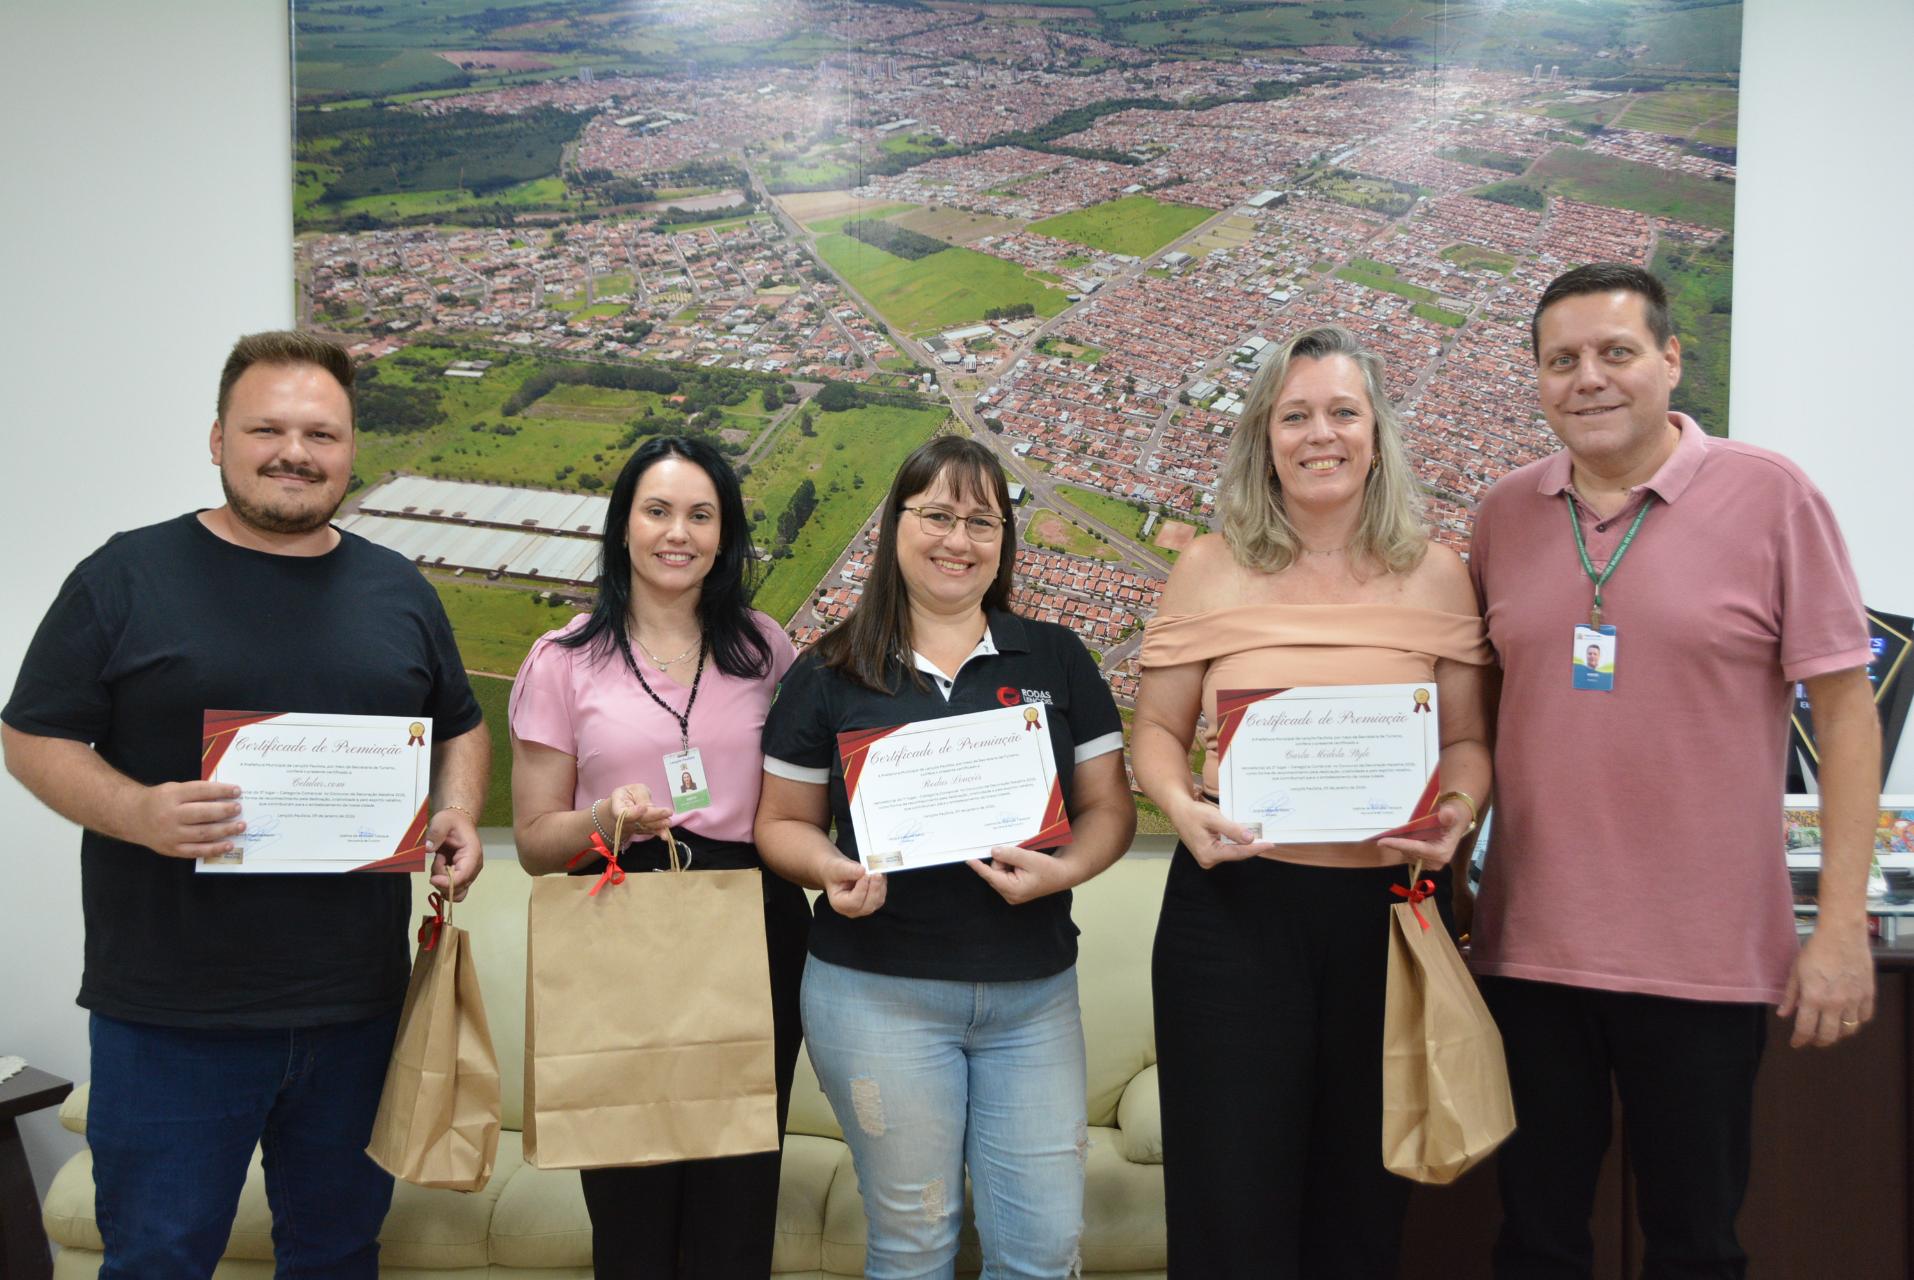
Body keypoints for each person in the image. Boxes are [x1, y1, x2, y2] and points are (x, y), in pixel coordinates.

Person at [1, 330, 489, 1279]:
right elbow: (31, 734)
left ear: (351, 450)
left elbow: (461, 725)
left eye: (321, 433)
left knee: (339, 1254)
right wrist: (137, 811)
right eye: (266, 427)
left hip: (356, 1010)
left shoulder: (399, 588)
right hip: (171, 1019)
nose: (294, 452)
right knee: (158, 1258)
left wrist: (459, 811)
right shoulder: (126, 575)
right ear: (217, 438)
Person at [1468, 262, 1881, 1279]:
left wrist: (1836, 928)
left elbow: (1846, 711)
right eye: (1561, 360)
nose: (1590, 379)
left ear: (1670, 358)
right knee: (1535, 1240)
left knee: (1696, 1243)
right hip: (1529, 950)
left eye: (1616, 352)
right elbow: (1471, 716)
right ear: (1536, 378)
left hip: (1705, 954)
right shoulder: (1502, 514)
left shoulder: (1774, 495)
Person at [1131, 325, 1492, 1278]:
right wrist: (1180, 805)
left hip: (1385, 920)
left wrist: (1455, 811)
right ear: (1264, 435)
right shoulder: (1209, 566)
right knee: (1227, 1203)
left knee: (1360, 1207)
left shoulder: (1439, 572)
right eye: (1295, 415)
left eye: (1342, 412)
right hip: (1236, 915)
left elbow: (1467, 741)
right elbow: (1156, 734)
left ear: (1377, 433)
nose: (1319, 434)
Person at [755, 436, 1135, 1279]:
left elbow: (1111, 808)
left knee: (1043, 1253)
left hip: (1033, 997)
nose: (958, 541)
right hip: (874, 994)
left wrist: (1066, 870)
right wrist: (829, 870)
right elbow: (781, 823)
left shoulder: (1057, 657)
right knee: (915, 1245)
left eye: (981, 521)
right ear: (896, 526)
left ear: (1003, 541)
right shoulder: (829, 668)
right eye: (937, 516)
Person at [507, 435, 804, 1279]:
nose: (680, 533)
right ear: (623, 527)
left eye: (702, 515)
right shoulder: (561, 662)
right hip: (622, 933)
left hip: (754, 933)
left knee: (738, 1206)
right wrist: (604, 821)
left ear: (726, 534)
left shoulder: (764, 650)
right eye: (659, 511)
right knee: (633, 1220)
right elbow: (533, 843)